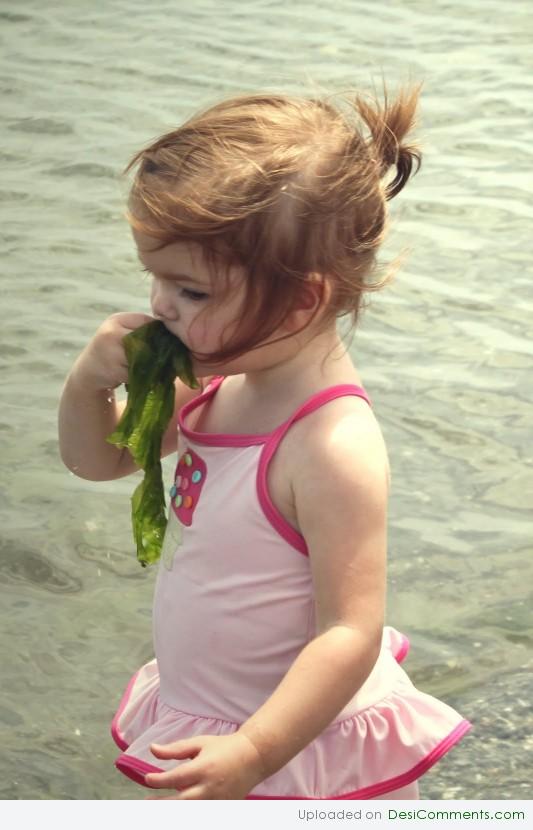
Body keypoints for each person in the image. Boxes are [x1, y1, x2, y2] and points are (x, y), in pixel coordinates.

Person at [58, 83, 471, 800]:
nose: (159, 306)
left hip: (293, 750)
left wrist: (254, 750)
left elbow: (349, 631)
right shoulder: (217, 382)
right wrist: (88, 383)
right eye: (155, 279)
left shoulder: (329, 444)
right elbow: (99, 460)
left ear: (300, 300)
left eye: (189, 292)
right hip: (217, 712)